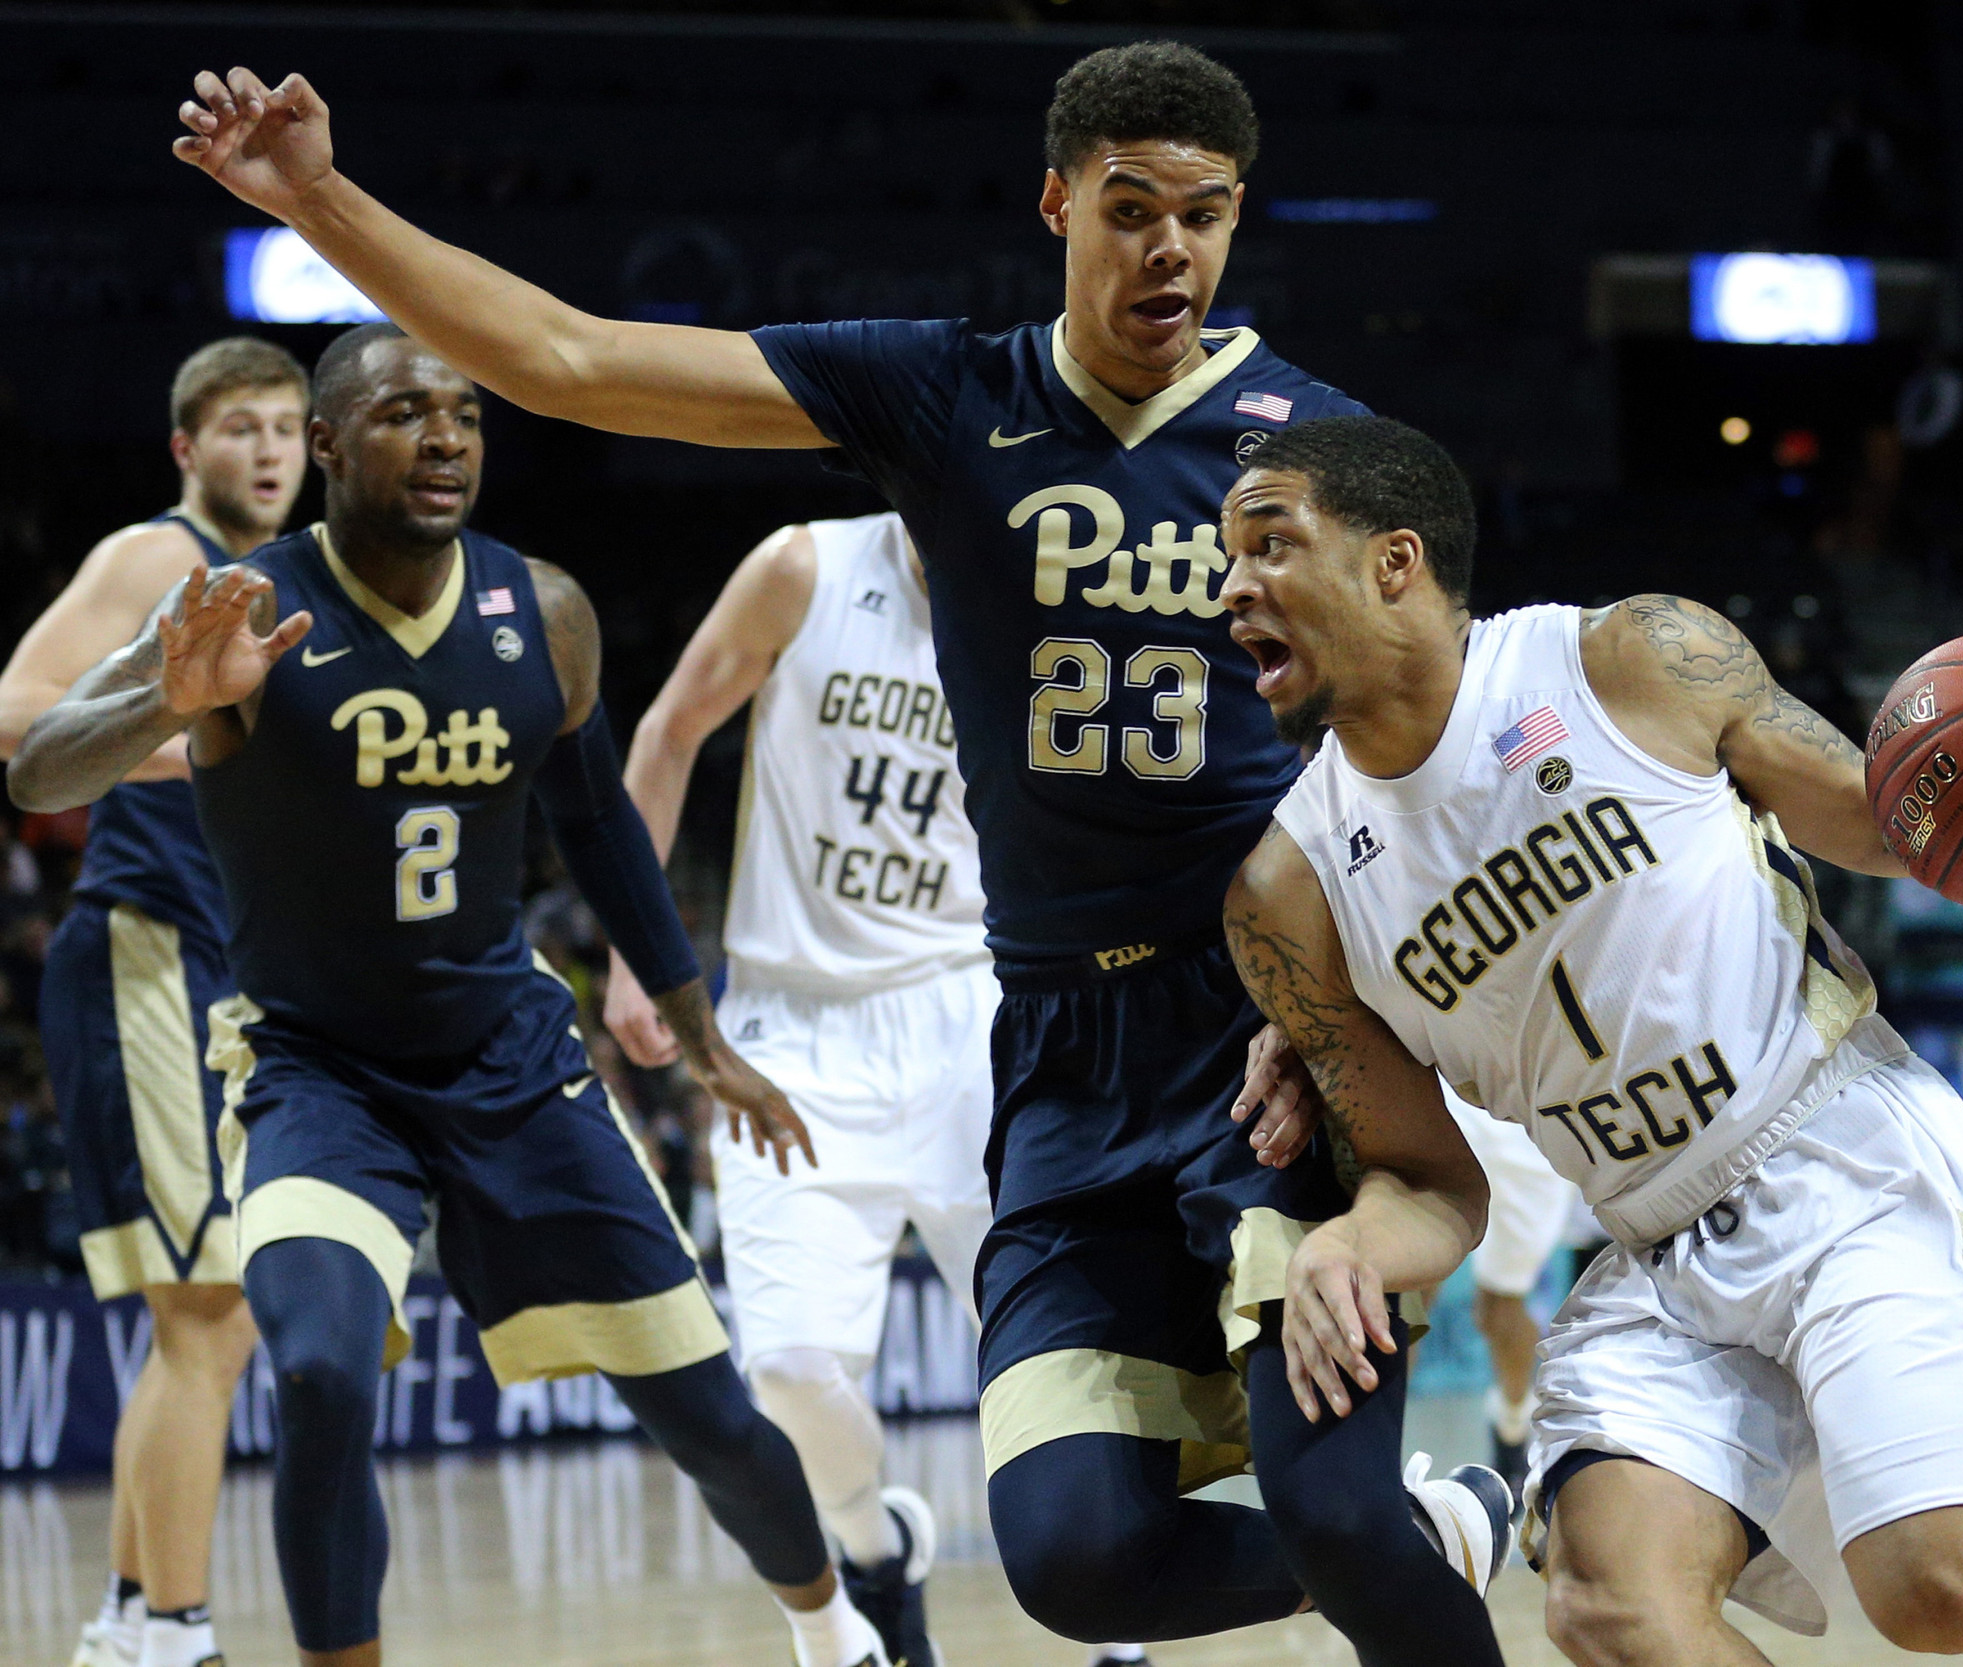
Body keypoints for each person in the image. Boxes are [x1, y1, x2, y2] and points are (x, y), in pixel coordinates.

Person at [166, 44, 1506, 1659]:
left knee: (1336, 1509)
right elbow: (569, 355)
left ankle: (1410, 1528)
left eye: (1205, 217)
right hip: (1061, 1053)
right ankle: (1454, 1523)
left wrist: (1349, 1004)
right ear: (1057, 203)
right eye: (1132, 209)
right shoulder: (949, 394)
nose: (1170, 251)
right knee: (1078, 1564)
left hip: (1257, 1032)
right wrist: (317, 197)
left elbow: (1434, 736)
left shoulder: (1325, 447)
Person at [1214, 414, 1963, 1665]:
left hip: (1838, 1160)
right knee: (1610, 1603)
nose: (1231, 585)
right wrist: (1355, 1241)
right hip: (1651, 1242)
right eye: (1225, 556)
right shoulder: (1286, 892)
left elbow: (1894, 820)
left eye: (1268, 545)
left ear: (1393, 561)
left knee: (1945, 1592)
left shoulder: (1630, 660)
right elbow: (1429, 1179)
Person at [8, 325, 874, 1667]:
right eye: (406, 411)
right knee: (313, 1369)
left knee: (704, 1407)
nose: (447, 435)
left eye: (465, 411)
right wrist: (155, 707)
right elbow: (38, 770)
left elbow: (601, 833)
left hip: (509, 1059)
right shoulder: (239, 603)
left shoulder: (547, 609)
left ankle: (833, 1629)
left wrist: (703, 1039)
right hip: (314, 1069)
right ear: (333, 448)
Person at [600, 512, 1156, 1667]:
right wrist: (634, 955)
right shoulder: (803, 565)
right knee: (790, 1370)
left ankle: (1117, 1611)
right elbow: (665, 731)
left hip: (972, 1006)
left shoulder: (1057, 599)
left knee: (1051, 1347)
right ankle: (873, 1543)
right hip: (788, 1025)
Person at [0, 335, 309, 1667]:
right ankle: (175, 1629)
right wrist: (193, 748)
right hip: (147, 949)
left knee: (196, 1315)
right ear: (190, 449)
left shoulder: (298, 579)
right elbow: (16, 707)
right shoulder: (154, 553)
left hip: (226, 973)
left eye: (289, 429)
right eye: (241, 428)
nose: (269, 452)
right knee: (214, 1310)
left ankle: (131, 1617)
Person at [1438, 1081, 1578, 1500]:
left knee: (1500, 1304)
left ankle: (1511, 1429)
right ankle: (1384, 1454)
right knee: (1411, 1292)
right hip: (1445, 1095)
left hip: (1535, 1117)